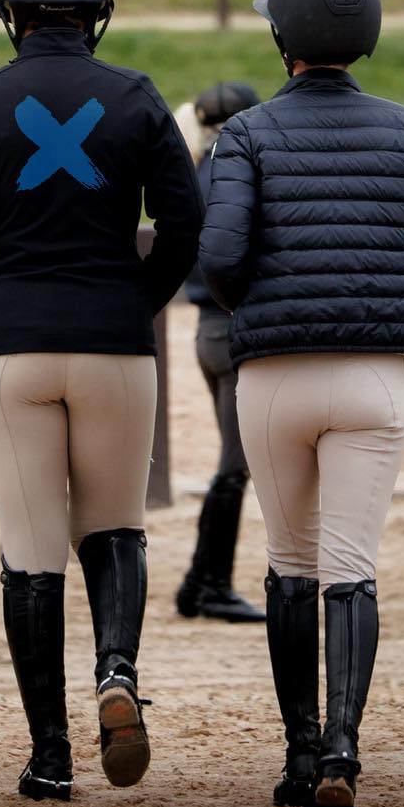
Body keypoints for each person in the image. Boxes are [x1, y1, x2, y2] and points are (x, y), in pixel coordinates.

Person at [0, 0, 202, 803]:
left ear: (14, 15)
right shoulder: (138, 97)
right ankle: (117, 672)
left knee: (31, 552)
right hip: (115, 344)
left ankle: (50, 757)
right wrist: (133, 301)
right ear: (97, 16)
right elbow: (186, 229)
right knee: (114, 527)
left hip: (12, 348)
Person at [200, 0, 404, 807]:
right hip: (373, 380)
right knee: (353, 569)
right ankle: (346, 753)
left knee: (290, 566)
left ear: (283, 39)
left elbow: (221, 258)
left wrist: (275, 303)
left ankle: (299, 751)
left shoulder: (243, 135)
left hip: (275, 377)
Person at [174, 78, 266, 624]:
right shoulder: (231, 174)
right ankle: (206, 583)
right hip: (230, 328)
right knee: (235, 465)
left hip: (207, 333)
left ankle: (201, 582)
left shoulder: (196, 170)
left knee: (233, 462)